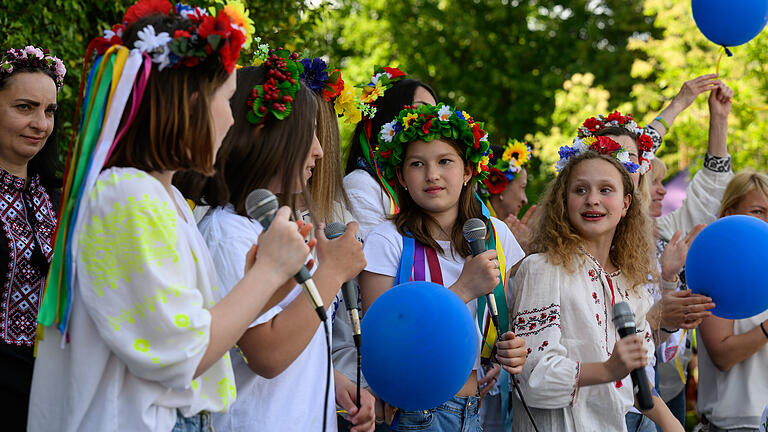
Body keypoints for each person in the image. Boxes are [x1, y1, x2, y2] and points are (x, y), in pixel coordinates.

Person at [29, 3, 311, 431]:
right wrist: (267, 271)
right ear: (192, 104)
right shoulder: (127, 197)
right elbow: (183, 353)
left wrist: (271, 277)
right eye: (228, 99)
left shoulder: (169, 199)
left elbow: (203, 326)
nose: (232, 118)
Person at [191, 54, 374, 432]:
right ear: (267, 138)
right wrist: (333, 271)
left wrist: (333, 381)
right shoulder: (229, 233)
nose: (320, 151)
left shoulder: (271, 227)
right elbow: (267, 355)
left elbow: (293, 333)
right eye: (309, 134)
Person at [359, 103, 528, 431]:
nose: (432, 174)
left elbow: (513, 322)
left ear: (467, 172)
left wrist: (513, 349)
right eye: (417, 164)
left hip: (475, 408)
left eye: (445, 161)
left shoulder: (496, 235)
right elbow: (379, 345)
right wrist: (463, 289)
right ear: (401, 178)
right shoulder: (386, 240)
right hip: (415, 412)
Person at [512, 135, 683, 431]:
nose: (592, 199)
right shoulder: (542, 268)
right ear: (564, 201)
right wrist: (607, 370)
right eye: (580, 190)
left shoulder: (630, 282)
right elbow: (532, 379)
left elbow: (638, 380)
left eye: (606, 189)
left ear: (626, 203)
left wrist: (670, 423)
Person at [0, 44, 64, 430]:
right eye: (25, 107)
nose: (41, 123)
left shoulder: (59, 199)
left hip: (51, 386)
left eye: (49, 110)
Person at [696, 170, 768, 432]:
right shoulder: (713, 271)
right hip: (735, 423)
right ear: (729, 213)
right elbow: (723, 356)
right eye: (758, 211)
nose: (767, 221)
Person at [343, 66, 437, 239]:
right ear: (389, 119)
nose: (431, 124)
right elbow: (372, 260)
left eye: (435, 113)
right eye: (421, 111)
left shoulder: (427, 183)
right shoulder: (360, 186)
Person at [477, 139, 536, 253]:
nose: (525, 200)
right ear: (500, 185)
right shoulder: (476, 231)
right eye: (522, 187)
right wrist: (513, 248)